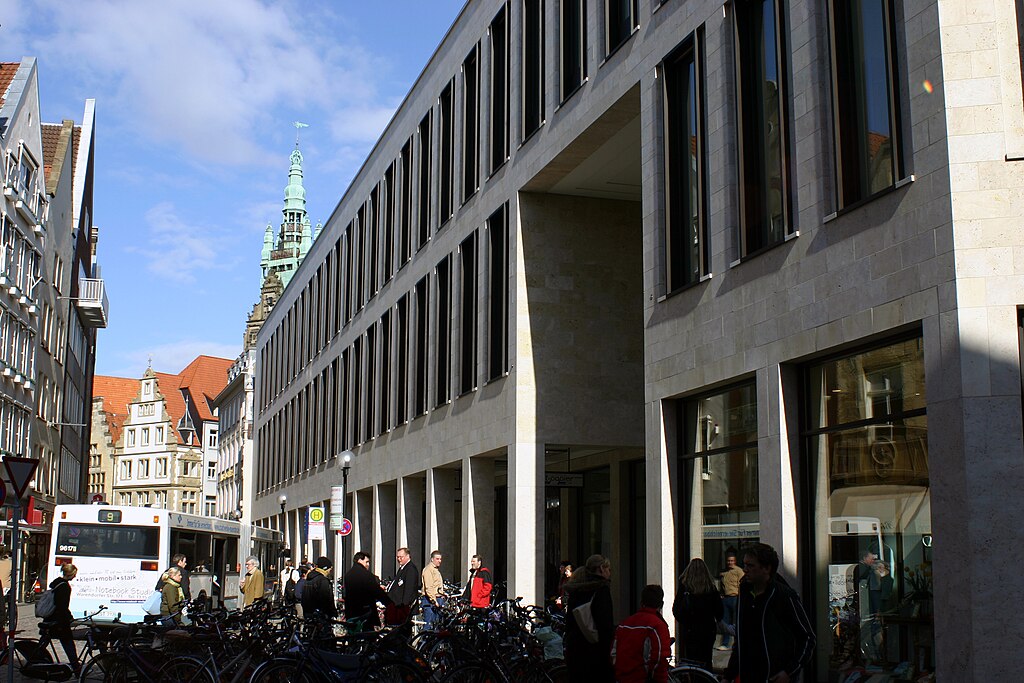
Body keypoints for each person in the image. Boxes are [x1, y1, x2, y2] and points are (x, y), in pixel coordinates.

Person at [723, 543, 815, 683]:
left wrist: (789, 672)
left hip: (774, 676)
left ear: (766, 568)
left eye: (750, 566)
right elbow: (741, 640)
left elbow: (807, 638)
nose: (745, 570)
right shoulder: (745, 594)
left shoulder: (784, 596)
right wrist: (729, 675)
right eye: (744, 565)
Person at [563, 554, 615, 682]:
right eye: (608, 569)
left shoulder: (576, 589)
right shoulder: (601, 590)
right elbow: (605, 625)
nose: (609, 573)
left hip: (575, 650)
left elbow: (569, 622)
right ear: (601, 569)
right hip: (595, 652)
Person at [612, 584, 672, 683]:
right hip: (643, 678)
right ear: (661, 604)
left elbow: (614, 652)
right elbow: (659, 658)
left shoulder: (624, 624)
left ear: (641, 602)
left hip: (622, 677)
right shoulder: (657, 625)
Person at [672, 558, 723, 670]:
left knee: (691, 662)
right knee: (706, 659)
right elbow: (719, 612)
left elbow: (676, 610)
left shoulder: (685, 588)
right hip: (707, 630)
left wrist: (686, 622)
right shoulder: (711, 588)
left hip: (690, 630)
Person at [37, 563, 79, 671]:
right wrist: (69, 618)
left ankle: (33, 661)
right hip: (59, 621)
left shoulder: (56, 583)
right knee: (68, 644)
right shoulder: (64, 587)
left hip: (50, 618)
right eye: (74, 574)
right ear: (71, 574)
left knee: (43, 643)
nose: (75, 576)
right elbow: (62, 606)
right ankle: (76, 668)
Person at [343, 552, 392, 628]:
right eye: (367, 562)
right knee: (368, 636)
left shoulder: (348, 575)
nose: (368, 565)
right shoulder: (366, 575)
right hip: (365, 613)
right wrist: (389, 603)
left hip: (351, 613)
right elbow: (377, 592)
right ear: (359, 560)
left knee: (353, 636)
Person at [386, 547, 421, 624]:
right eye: (397, 557)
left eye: (401, 557)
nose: (399, 559)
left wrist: (404, 606)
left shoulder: (410, 569)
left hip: (403, 608)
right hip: (396, 607)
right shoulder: (402, 568)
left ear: (407, 556)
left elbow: (409, 589)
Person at [718, 553, 744, 650]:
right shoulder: (724, 572)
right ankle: (725, 643)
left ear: (735, 561)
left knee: (736, 622)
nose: (730, 563)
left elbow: (742, 585)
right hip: (725, 598)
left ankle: (737, 643)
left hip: (736, 598)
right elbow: (721, 585)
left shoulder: (739, 571)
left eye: (732, 561)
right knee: (725, 622)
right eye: (729, 561)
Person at [421, 550, 445, 628]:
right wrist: (434, 601)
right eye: (437, 559)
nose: (439, 561)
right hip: (430, 601)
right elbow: (429, 587)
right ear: (432, 559)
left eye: (440, 559)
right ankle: (425, 640)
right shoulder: (428, 570)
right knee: (429, 625)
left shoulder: (436, 570)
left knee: (436, 626)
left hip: (437, 599)